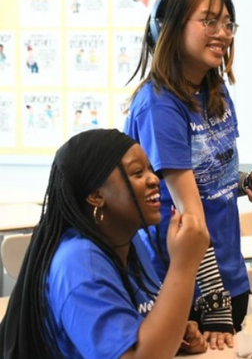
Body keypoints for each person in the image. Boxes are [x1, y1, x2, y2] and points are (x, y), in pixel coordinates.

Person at [124, 0, 252, 348]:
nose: (223, 33)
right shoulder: (160, 106)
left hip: (227, 271)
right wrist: (214, 302)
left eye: (227, 24)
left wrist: (241, 182)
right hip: (186, 284)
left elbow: (204, 178)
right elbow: (188, 215)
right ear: (171, 27)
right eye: (209, 21)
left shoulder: (213, 90)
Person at [0, 129, 210, 358]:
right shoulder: (79, 266)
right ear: (96, 196)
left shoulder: (128, 241)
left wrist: (172, 334)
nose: (153, 179)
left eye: (150, 168)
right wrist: (183, 266)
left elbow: (138, 331)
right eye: (138, 173)